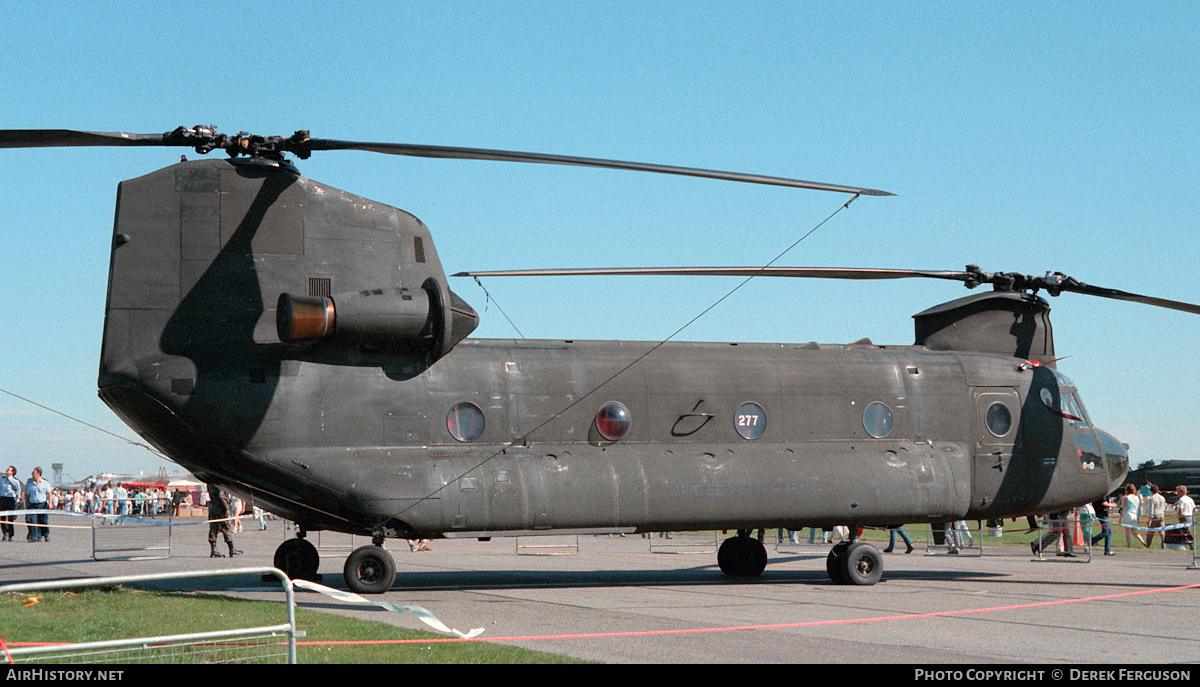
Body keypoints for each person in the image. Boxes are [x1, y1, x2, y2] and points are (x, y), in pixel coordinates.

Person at [205, 484, 242, 558]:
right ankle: (232, 550)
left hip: (213, 507)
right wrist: (226, 508)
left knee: (213, 528)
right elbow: (221, 495)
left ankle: (214, 550)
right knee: (226, 528)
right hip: (220, 508)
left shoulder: (209, 483)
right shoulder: (218, 482)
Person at [24, 467, 52, 542]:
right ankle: (34, 536)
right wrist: (26, 505)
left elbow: (49, 493)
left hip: (42, 504)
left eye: (34, 473)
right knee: (32, 521)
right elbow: (27, 495)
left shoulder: (45, 483)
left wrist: (50, 502)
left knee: (43, 520)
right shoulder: (29, 483)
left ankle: (45, 535)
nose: (32, 474)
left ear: (38, 474)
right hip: (33, 504)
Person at [1120, 483, 1146, 548]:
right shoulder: (1137, 498)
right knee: (1134, 532)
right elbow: (1138, 508)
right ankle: (1143, 542)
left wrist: (1120, 518)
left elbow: (1124, 508)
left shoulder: (1126, 498)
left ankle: (1128, 544)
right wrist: (1138, 518)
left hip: (1128, 514)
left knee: (1127, 531)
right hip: (1135, 515)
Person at [1144, 484, 1167, 549]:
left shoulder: (1152, 498)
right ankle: (1163, 546)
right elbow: (1164, 507)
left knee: (1150, 532)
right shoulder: (1162, 497)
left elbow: (1151, 509)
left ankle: (1147, 545)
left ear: (1151, 491)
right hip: (1162, 515)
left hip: (1155, 516)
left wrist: (1150, 519)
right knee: (1162, 533)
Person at [1, 466, 21, 542]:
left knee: (10, 518)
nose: (7, 470)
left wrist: (16, 499)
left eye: (9, 469)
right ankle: (5, 533)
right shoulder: (2, 480)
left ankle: (11, 534)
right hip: (3, 498)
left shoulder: (15, 481)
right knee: (2, 518)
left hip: (11, 500)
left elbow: (18, 491)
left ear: (12, 472)